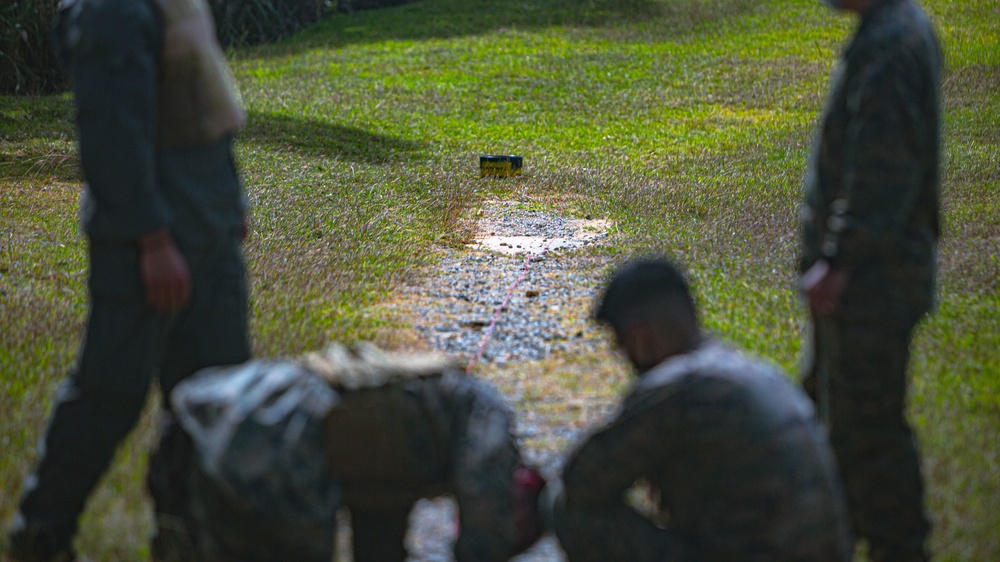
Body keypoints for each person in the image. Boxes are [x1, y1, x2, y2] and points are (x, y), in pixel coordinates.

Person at [7, 0, 251, 560]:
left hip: (206, 219)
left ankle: (186, 534)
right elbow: (111, 133)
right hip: (151, 236)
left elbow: (201, 95)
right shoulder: (110, 9)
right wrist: (152, 240)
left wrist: (227, 199)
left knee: (218, 389)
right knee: (110, 391)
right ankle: (41, 535)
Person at [542, 258, 853, 562]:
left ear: (641, 337)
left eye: (621, 344)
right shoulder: (754, 370)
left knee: (565, 509)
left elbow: (580, 482)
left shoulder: (678, 386)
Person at [146, 342, 545, 562]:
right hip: (279, 439)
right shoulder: (485, 419)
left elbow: (379, 519)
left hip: (240, 420)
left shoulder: (417, 428)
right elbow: (483, 538)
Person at [798, 0, 941, 559]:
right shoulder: (892, 29)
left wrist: (838, 259)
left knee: (871, 438)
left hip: (871, 285)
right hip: (866, 280)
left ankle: (899, 547)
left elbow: (883, 170)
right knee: (837, 425)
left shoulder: (891, 44)